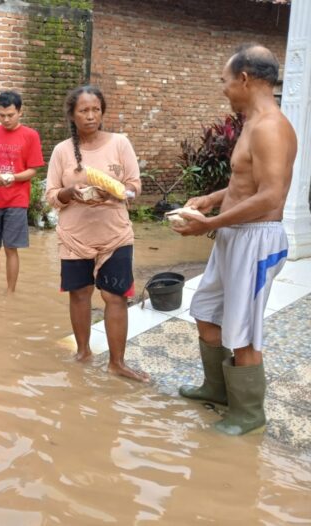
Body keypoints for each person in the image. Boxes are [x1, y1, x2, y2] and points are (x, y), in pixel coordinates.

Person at [174, 44, 297, 436]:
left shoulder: (271, 127)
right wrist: (209, 200)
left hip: (257, 239)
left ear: (244, 79)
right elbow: (243, 184)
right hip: (234, 234)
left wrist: (209, 223)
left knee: (243, 328)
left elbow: (271, 196)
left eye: (225, 81)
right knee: (206, 310)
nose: (224, 89)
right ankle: (217, 388)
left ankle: (248, 413)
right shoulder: (251, 122)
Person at [45, 85, 147, 382]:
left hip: (114, 233)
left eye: (96, 110)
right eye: (84, 111)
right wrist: (69, 192)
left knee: (115, 296)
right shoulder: (62, 151)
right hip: (75, 236)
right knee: (79, 294)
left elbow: (134, 185)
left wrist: (120, 192)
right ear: (72, 115)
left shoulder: (120, 143)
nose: (91, 116)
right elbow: (50, 195)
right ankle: (83, 352)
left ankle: (117, 363)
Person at [0, 91, 45, 293]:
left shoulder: (30, 136)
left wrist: (13, 177)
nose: (5, 119)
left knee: (11, 249)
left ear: (20, 112)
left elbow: (33, 169)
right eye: (1, 115)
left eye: (10, 115)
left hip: (16, 200)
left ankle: (11, 292)